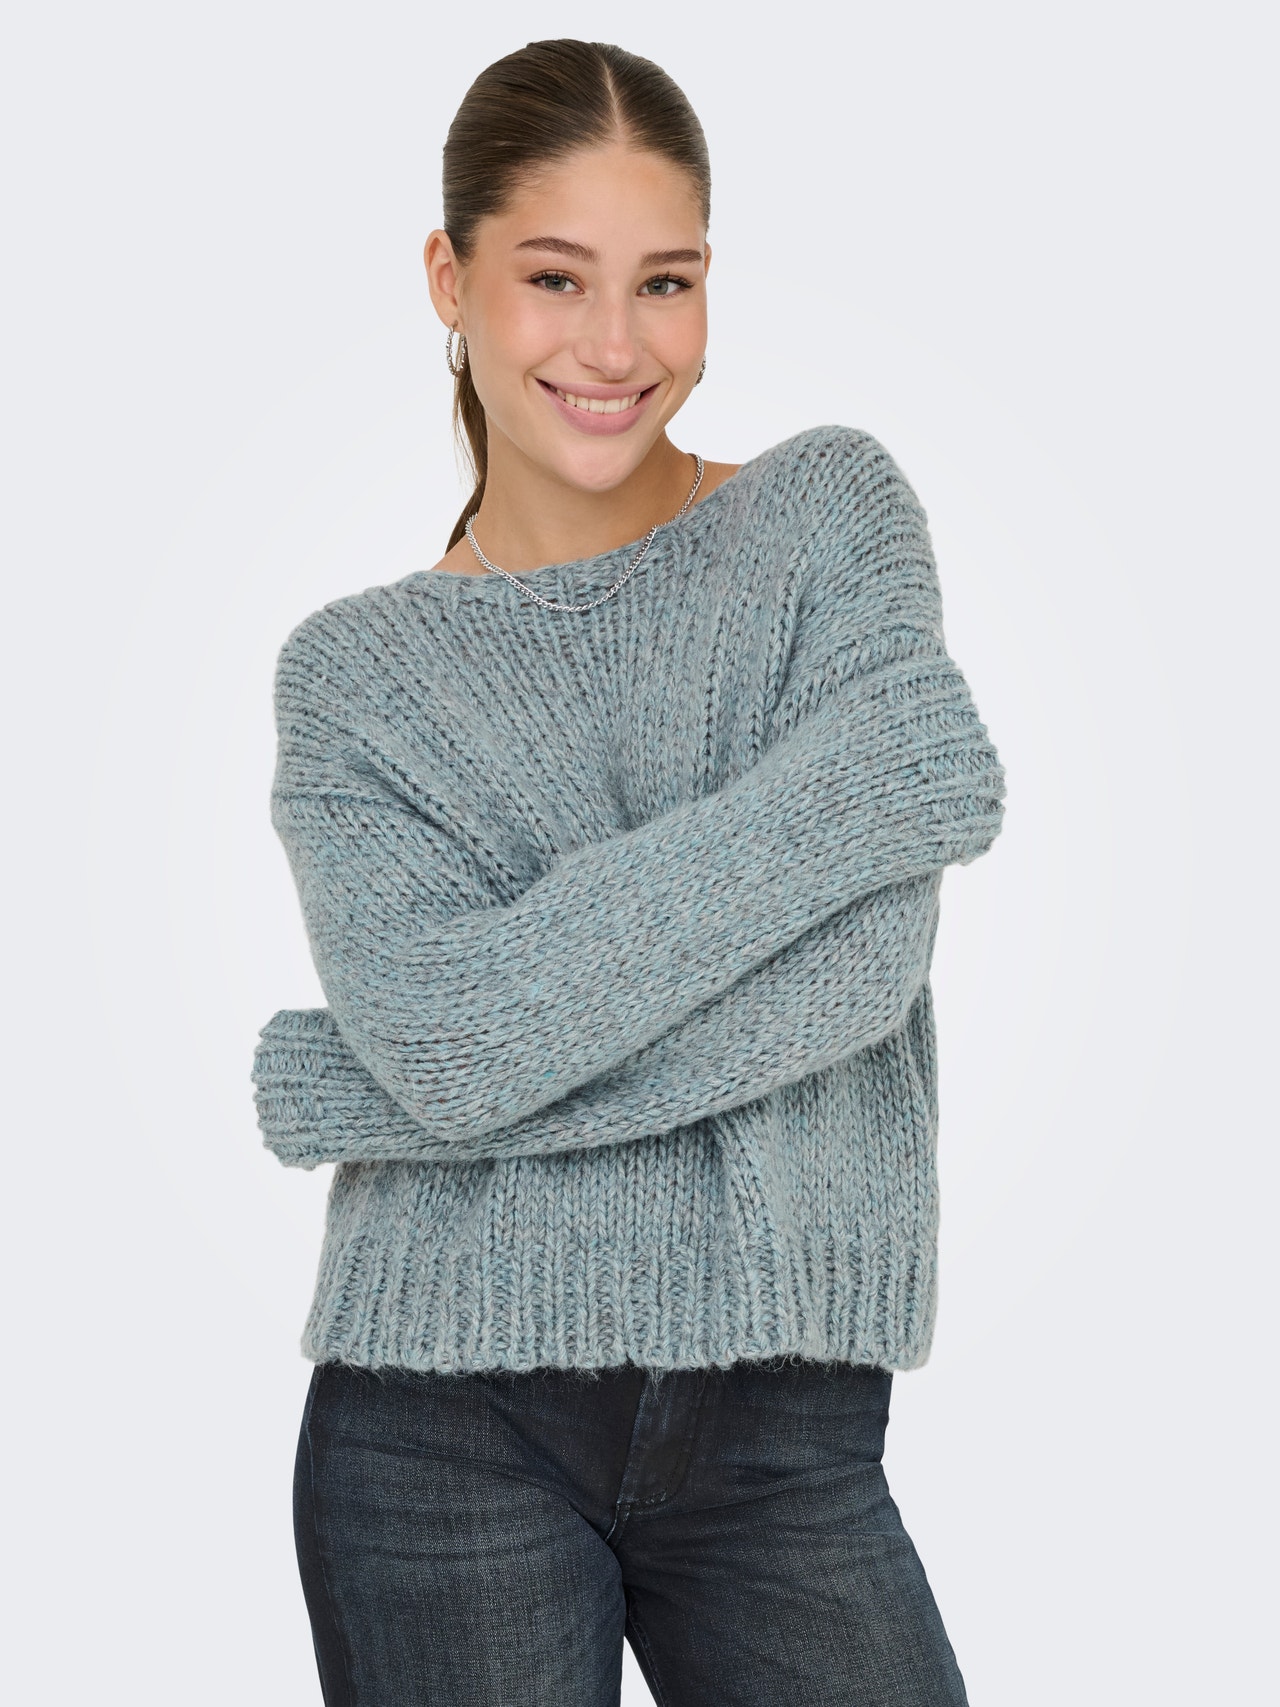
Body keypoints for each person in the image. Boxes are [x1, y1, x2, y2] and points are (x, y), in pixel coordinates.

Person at [252, 36, 1007, 1707]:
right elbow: (451, 1043)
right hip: (439, 1426)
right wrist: (848, 800)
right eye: (554, 278)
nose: (613, 345)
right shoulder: (355, 679)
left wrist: (373, 1088)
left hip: (788, 1421)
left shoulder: (829, 519)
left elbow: (859, 976)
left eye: (663, 281)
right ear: (449, 279)